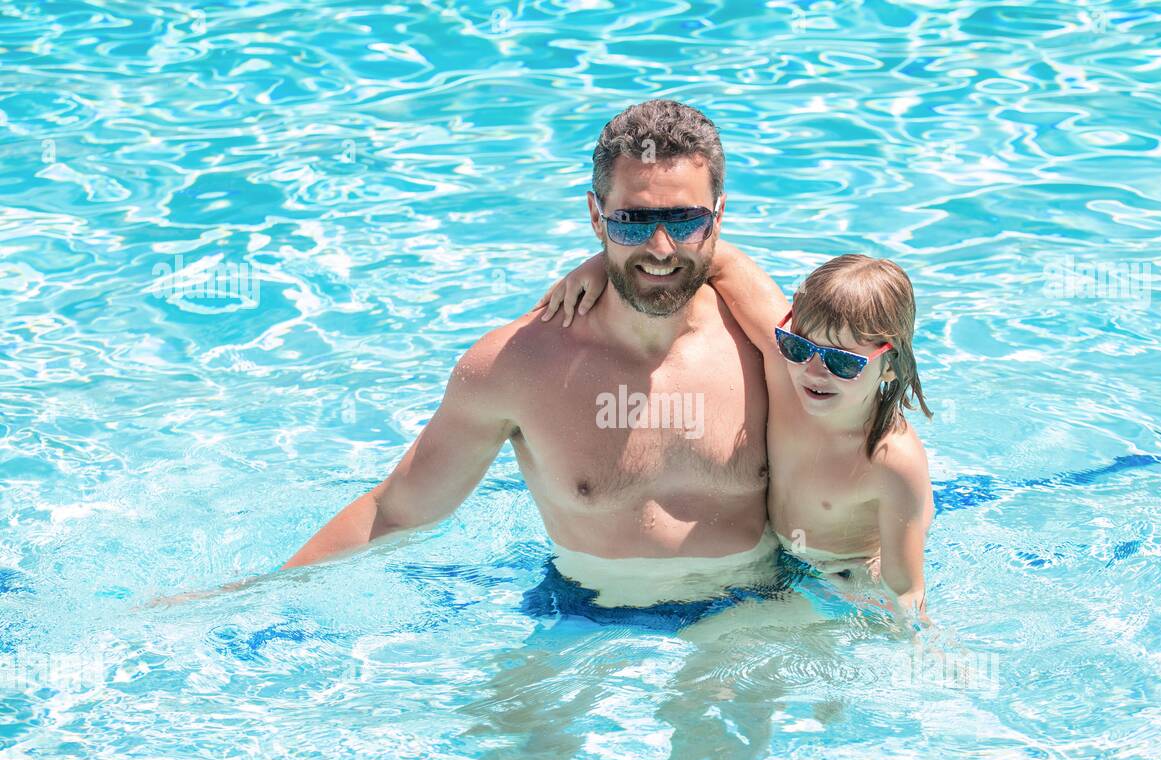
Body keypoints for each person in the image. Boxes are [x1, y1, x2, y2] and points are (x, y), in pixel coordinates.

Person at [271, 99, 780, 610]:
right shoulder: (516, 365)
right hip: (584, 617)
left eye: (685, 220)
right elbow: (398, 511)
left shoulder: (776, 352)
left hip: (751, 612)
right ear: (595, 218)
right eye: (632, 221)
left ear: (718, 217)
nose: (663, 248)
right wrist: (256, 598)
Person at [537, 241, 935, 623]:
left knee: (715, 653)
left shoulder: (890, 462)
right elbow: (713, 257)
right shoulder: (785, 373)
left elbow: (905, 591)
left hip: (841, 580)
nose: (814, 371)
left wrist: (916, 643)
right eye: (799, 347)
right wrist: (600, 267)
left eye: (842, 362)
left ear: (891, 366)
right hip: (773, 556)